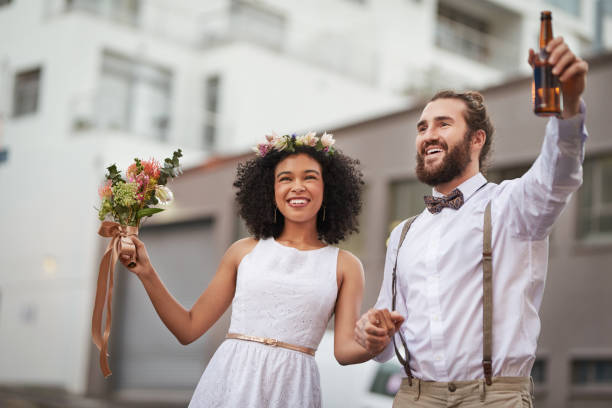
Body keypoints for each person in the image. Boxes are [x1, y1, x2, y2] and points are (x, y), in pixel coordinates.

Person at [354, 36, 589, 407]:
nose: (428, 134)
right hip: (415, 394)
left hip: (493, 397)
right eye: (422, 127)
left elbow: (558, 173)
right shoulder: (403, 234)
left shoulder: (513, 206)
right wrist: (373, 332)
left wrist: (569, 106)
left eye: (443, 124)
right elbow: (384, 342)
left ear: (476, 139)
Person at [120, 131, 377, 407]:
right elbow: (188, 328)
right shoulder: (243, 252)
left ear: (329, 188)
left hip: (293, 390)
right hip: (231, 383)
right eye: (285, 178)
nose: (297, 186)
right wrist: (146, 271)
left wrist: (375, 343)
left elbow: (344, 352)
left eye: (310, 177)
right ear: (270, 190)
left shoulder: (346, 265)